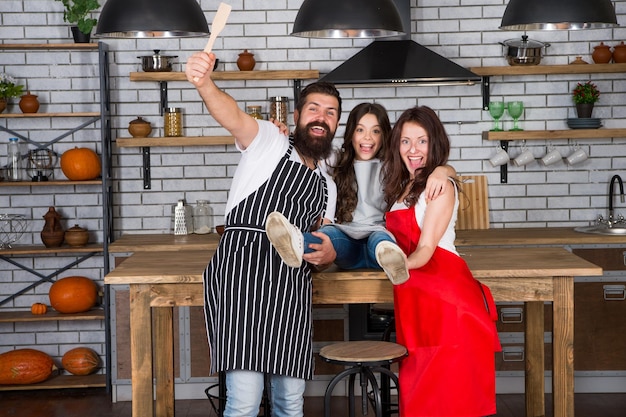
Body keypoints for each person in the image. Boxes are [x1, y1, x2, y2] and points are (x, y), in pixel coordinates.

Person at [185, 50, 341, 417]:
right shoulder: (270, 141)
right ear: (298, 116)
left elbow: (323, 242)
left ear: (336, 125)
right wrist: (205, 83)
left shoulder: (327, 187)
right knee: (244, 402)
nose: (322, 117)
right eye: (314, 109)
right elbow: (232, 115)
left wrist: (328, 254)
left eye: (331, 112)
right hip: (243, 273)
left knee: (290, 402)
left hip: (290, 287)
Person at [380, 106, 501, 417]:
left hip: (447, 304)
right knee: (419, 394)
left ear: (435, 143)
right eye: (405, 141)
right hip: (416, 304)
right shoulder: (401, 188)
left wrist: (397, 264)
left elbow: (425, 249)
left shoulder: (440, 186)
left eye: (421, 141)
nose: (413, 149)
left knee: (450, 401)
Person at [265, 102, 454, 283]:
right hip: (348, 242)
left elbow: (436, 170)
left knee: (381, 240)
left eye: (376, 131)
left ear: (386, 136)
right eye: (360, 130)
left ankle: (395, 262)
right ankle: (297, 242)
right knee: (329, 234)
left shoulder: (396, 166)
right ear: (351, 134)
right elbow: (306, 153)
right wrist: (283, 135)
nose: (367, 138)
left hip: (381, 239)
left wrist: (443, 170)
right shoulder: (337, 161)